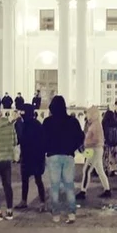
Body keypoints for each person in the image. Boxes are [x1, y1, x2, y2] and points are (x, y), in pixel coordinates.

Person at [42, 95, 84, 224]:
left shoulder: (48, 122)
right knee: (69, 186)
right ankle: (71, 213)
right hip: (68, 156)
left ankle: (56, 214)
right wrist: (72, 148)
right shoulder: (72, 121)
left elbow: (42, 138)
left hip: (53, 156)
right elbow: (80, 137)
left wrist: (47, 150)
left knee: (54, 186)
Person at [15, 105, 46, 211]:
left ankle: (29, 201)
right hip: (34, 156)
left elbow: (20, 139)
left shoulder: (25, 125)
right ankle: (41, 202)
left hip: (30, 156)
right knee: (36, 180)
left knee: (30, 180)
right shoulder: (36, 124)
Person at [77, 106, 111, 199]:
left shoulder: (95, 125)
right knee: (99, 170)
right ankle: (107, 189)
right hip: (94, 150)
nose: (87, 115)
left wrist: (86, 144)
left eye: (88, 113)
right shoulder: (94, 124)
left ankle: (83, 191)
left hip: (94, 150)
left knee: (87, 170)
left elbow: (97, 139)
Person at [102, 110, 117, 176]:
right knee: (113, 157)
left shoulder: (104, 123)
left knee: (106, 157)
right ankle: (113, 170)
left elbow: (103, 133)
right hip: (115, 144)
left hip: (106, 143)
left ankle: (105, 170)